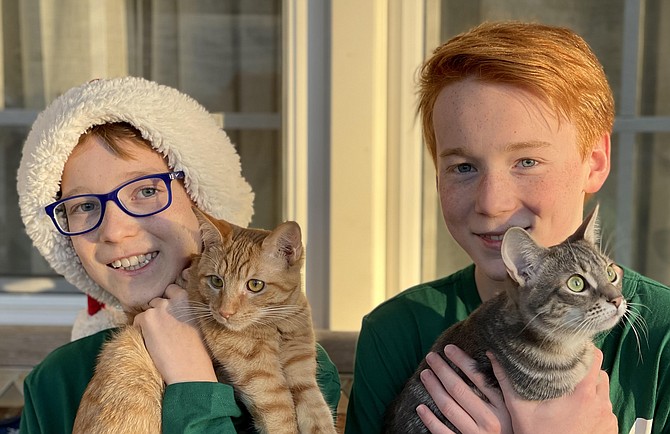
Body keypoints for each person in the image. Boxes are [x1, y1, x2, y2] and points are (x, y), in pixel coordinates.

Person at [345, 21, 670, 434]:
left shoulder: (663, 336)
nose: (492, 203)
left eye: (527, 162)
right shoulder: (394, 332)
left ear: (595, 162)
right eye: (464, 167)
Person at [16, 77, 340, 433]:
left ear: (201, 202)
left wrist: (193, 384)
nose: (114, 230)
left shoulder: (289, 355)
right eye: (85, 205)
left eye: (146, 190)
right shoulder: (55, 380)